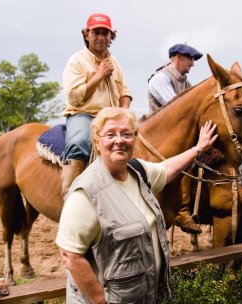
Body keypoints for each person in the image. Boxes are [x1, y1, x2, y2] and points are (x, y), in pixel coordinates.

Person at [56, 107, 218, 303]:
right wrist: (100, 301)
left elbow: (166, 169)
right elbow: (70, 256)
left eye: (126, 133)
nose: (119, 140)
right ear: (97, 142)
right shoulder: (86, 192)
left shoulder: (136, 171)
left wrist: (198, 148)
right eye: (110, 134)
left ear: (135, 139)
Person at [61, 13, 132, 199]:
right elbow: (74, 97)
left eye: (105, 33)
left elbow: (125, 91)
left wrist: (124, 112)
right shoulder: (76, 61)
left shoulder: (115, 62)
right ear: (86, 34)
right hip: (84, 115)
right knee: (79, 142)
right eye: (96, 32)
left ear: (111, 37)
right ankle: (71, 195)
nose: (101, 37)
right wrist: (99, 75)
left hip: (112, 117)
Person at [147, 43, 203, 234]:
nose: (192, 65)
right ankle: (181, 211)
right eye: (190, 59)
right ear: (177, 57)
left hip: (176, 135)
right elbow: (177, 110)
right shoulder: (160, 78)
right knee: (187, 161)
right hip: (159, 137)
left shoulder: (185, 82)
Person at [148, 43, 203, 113]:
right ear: (179, 56)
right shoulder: (159, 78)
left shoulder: (186, 83)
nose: (193, 64)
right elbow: (178, 108)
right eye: (190, 59)